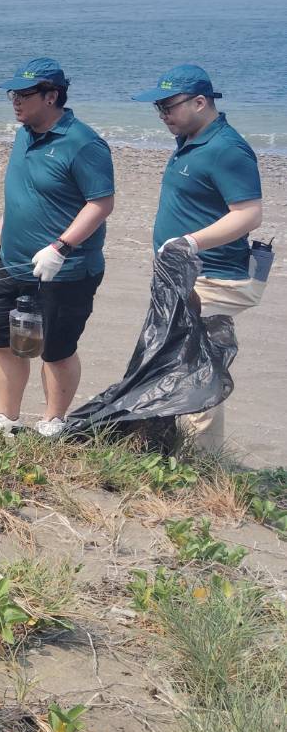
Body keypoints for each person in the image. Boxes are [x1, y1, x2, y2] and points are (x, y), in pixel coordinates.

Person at [133, 64, 264, 452]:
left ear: (201, 102)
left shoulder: (227, 149)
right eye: (158, 108)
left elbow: (249, 214)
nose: (162, 115)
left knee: (197, 369)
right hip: (184, 275)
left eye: (168, 106)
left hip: (213, 276)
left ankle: (202, 463)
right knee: (173, 361)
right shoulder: (191, 139)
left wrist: (190, 242)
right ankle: (175, 452)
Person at [0, 59, 115, 437]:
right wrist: (0, 232)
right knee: (4, 340)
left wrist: (60, 247)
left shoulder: (83, 143)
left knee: (56, 349)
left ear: (51, 96)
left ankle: (53, 421)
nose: (15, 101)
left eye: (24, 94)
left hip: (65, 268)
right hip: (12, 262)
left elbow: (101, 203)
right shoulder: (24, 134)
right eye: (13, 94)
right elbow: (24, 191)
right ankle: (6, 417)